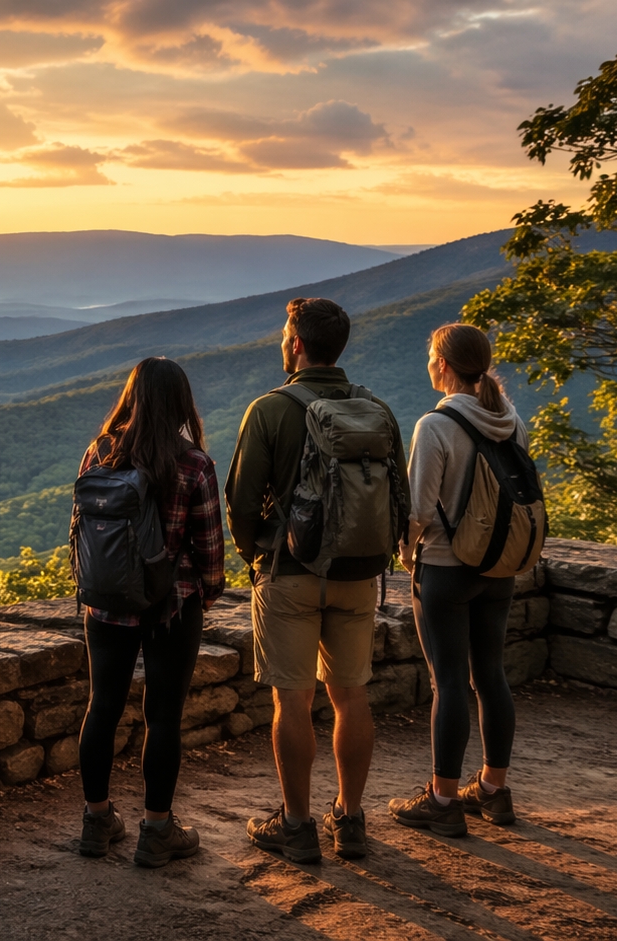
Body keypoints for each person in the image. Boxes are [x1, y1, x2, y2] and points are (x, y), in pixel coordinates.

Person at [225, 297, 408, 863]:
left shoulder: (270, 409)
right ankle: (351, 820)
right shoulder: (375, 408)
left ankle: (299, 826)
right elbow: (396, 494)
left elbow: (240, 498)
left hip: (290, 574)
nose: (283, 341)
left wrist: (255, 554)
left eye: (285, 334)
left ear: (297, 344)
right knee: (352, 697)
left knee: (292, 702)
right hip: (358, 574)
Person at [74, 357, 225, 868]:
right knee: (163, 717)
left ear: (132, 396)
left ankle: (96, 821)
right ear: (182, 401)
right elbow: (209, 548)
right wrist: (207, 591)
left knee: (103, 707)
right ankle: (157, 830)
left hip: (106, 603)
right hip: (171, 606)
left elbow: (80, 528)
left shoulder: (100, 451)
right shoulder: (194, 464)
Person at [389, 323, 526, 835]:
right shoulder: (510, 420)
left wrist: (405, 551)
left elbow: (420, 507)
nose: (428, 364)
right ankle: (493, 791)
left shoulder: (436, 424)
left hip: (446, 567)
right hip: (500, 566)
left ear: (443, 365)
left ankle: (444, 800)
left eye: (430, 356)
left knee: (448, 682)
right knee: (491, 676)